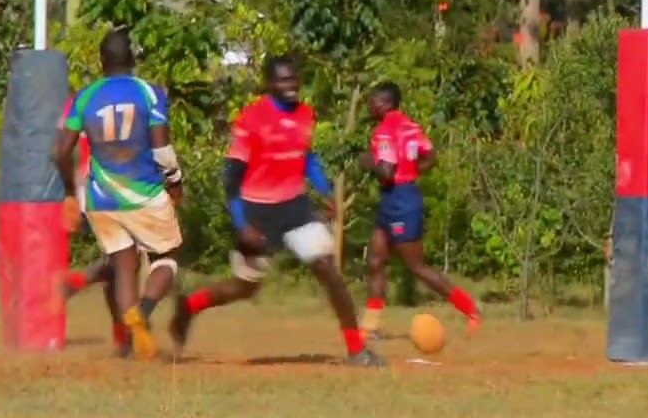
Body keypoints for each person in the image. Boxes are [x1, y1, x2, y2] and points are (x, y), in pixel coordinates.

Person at [167, 55, 385, 367]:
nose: (291, 85)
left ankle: (356, 350)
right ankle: (189, 306)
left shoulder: (304, 114)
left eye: (294, 78)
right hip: (257, 212)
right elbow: (231, 180)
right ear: (269, 84)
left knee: (328, 270)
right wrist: (242, 224)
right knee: (244, 287)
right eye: (283, 80)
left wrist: (325, 191)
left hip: (296, 208)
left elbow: (307, 158)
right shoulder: (251, 119)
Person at [53, 29, 185, 361]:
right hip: (144, 192)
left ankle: (128, 337)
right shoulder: (149, 92)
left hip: (100, 197)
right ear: (133, 57)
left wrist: (69, 194)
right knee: (167, 258)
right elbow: (162, 149)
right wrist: (175, 181)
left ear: (101, 61)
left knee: (123, 265)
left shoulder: (85, 96)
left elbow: (60, 151)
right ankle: (142, 311)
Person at [357, 82, 481, 339]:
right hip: (398, 196)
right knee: (376, 260)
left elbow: (386, 171)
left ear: (386, 104)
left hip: (399, 201)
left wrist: (367, 161)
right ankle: (371, 326)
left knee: (416, 267)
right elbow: (431, 157)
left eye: (373, 101)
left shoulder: (383, 131)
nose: (370, 105)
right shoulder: (412, 126)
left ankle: (470, 308)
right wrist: (411, 172)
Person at [55, 92, 129, 357]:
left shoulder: (80, 100)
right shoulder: (133, 96)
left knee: (117, 264)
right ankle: (77, 281)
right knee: (124, 260)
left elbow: (59, 149)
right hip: (120, 186)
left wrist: (70, 192)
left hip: (88, 186)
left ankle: (121, 335)